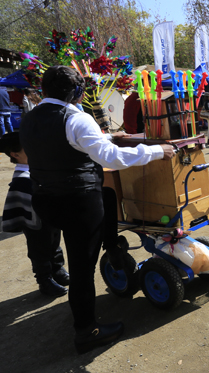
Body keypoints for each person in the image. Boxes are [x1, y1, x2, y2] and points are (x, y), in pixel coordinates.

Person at [19, 65, 176, 354]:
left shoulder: (29, 117)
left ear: (43, 90)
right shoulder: (77, 119)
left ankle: (112, 247)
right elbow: (112, 159)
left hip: (45, 199)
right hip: (76, 202)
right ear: (77, 92)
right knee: (82, 269)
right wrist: (157, 151)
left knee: (105, 195)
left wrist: (104, 138)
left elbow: (67, 145)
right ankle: (86, 331)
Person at [0, 132, 70, 297]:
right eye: (28, 148)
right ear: (15, 154)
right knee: (39, 249)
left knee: (54, 243)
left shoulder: (39, 168)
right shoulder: (21, 179)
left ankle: (57, 270)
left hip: (49, 217)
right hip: (34, 222)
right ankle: (44, 280)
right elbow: (23, 202)